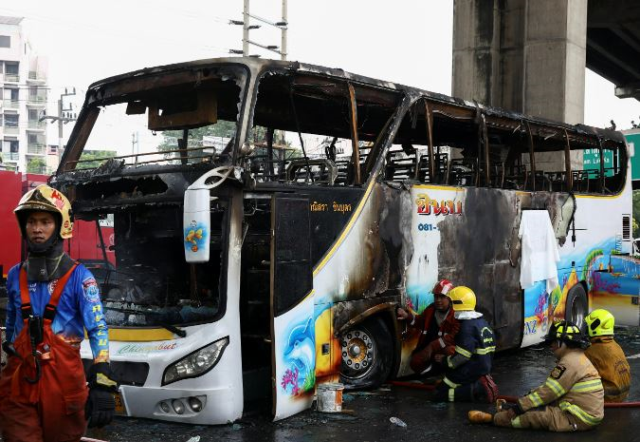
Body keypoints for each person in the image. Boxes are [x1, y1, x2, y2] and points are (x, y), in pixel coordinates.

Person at [0, 184, 118, 442]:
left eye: (45, 221)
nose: (37, 229)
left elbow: (98, 328)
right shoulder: (14, 275)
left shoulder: (80, 278)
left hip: (63, 383)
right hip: (20, 378)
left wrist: (102, 377)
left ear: (61, 225)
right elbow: (11, 323)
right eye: (31, 221)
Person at [473, 321, 604, 432]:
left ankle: (495, 419)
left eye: (552, 342)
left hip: (577, 417)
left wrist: (517, 409)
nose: (551, 346)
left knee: (535, 416)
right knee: (536, 404)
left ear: (561, 343)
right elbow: (551, 389)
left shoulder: (569, 363)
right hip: (582, 411)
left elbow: (548, 393)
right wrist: (528, 398)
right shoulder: (578, 358)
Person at [433, 286, 498, 403]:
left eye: (452, 303)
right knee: (445, 383)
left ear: (457, 304)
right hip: (483, 368)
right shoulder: (482, 322)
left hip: (472, 370)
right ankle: (479, 384)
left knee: (439, 395)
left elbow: (462, 357)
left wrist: (444, 361)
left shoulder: (467, 327)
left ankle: (478, 390)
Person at [396, 279, 460, 376]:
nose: (438, 300)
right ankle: (431, 374)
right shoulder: (431, 310)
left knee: (451, 351)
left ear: (450, 298)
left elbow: (452, 337)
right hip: (429, 351)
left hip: (444, 350)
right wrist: (407, 316)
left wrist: (433, 347)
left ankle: (447, 374)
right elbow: (418, 321)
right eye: (436, 296)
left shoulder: (456, 315)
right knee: (415, 362)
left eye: (442, 297)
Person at [584, 309, 631, 402]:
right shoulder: (615, 345)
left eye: (588, 325)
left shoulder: (592, 351)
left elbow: (576, 372)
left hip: (608, 400)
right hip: (623, 396)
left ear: (595, 326)